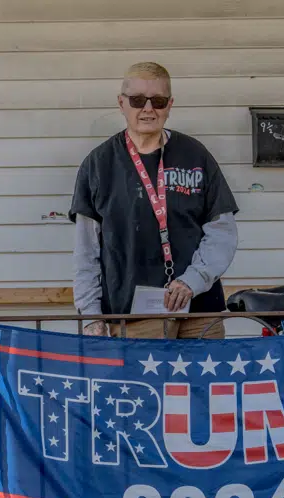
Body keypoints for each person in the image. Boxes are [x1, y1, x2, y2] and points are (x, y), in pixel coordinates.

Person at [71, 62, 240, 337]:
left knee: (203, 381)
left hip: (199, 310)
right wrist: (91, 315)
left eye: (158, 101)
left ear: (170, 104)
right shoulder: (98, 164)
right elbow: (86, 250)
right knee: (144, 382)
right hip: (134, 316)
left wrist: (192, 281)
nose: (148, 109)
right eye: (137, 100)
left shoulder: (195, 155)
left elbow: (223, 231)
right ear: (121, 103)